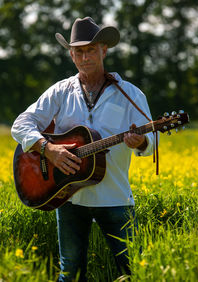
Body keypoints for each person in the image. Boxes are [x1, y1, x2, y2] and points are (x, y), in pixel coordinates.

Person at [11, 17, 154, 281]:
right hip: (69, 198)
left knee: (136, 270)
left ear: (104, 50)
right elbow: (21, 124)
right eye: (79, 52)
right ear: (71, 55)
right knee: (70, 273)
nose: (85, 57)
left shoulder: (131, 94)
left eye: (90, 50)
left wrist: (142, 142)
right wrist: (48, 149)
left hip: (115, 198)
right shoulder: (61, 91)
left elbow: (151, 143)